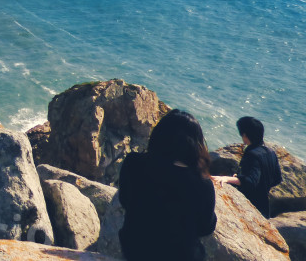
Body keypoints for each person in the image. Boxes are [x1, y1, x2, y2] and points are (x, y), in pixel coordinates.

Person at [118, 109, 217, 261]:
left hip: (135, 250)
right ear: (196, 145)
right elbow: (205, 228)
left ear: (158, 136)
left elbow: (124, 200)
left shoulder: (133, 163)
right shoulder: (203, 185)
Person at [213, 116, 283, 217]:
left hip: (251, 207)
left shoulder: (252, 154)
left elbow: (250, 181)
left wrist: (227, 178)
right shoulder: (271, 152)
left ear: (245, 135)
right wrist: (262, 185)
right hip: (264, 207)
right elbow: (277, 179)